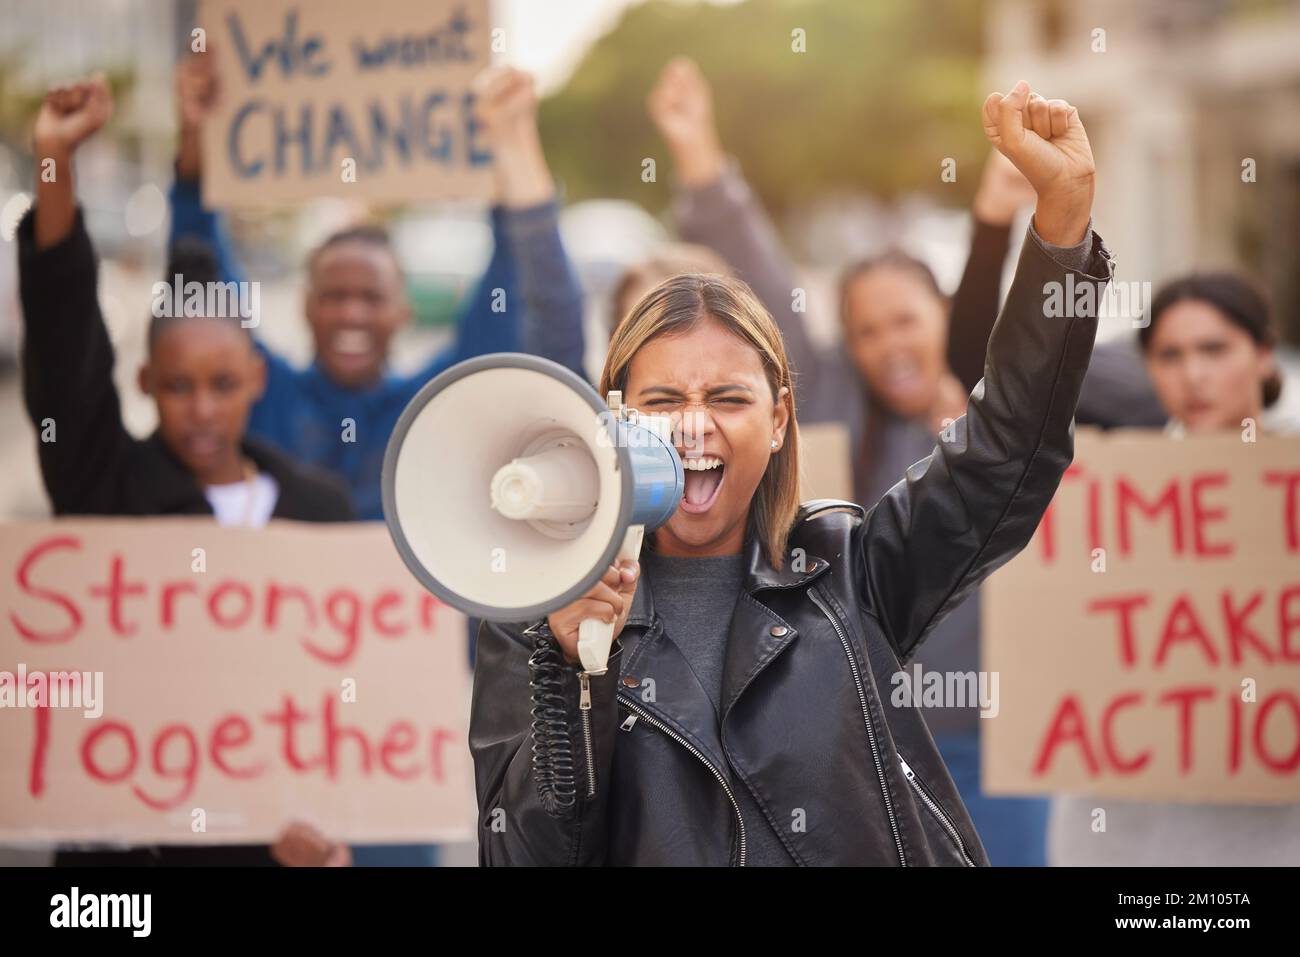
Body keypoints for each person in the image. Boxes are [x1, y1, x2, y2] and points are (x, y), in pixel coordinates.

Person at [470, 81, 1114, 865]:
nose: (694, 424)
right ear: (616, 416)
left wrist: (1063, 228)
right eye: (664, 398)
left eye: (729, 398)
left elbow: (1010, 445)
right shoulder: (535, 618)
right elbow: (522, 853)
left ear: (779, 420)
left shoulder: (850, 570)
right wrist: (569, 671)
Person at [19, 73, 353, 867]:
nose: (201, 409)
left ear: (258, 380)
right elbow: (64, 339)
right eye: (177, 386)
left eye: (222, 384)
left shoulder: (320, 512)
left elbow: (356, 702)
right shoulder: (105, 488)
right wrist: (55, 163)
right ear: (143, 384)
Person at [169, 55, 586, 520]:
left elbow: (520, 289)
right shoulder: (260, 395)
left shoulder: (436, 405)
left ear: (402, 311)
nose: (352, 314)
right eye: (334, 296)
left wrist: (508, 146)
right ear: (306, 307)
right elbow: (201, 292)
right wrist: (195, 149)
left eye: (371, 298)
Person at [1050, 272, 1300, 867]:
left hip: (1271, 827)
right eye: (1170, 355)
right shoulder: (1102, 495)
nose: (1194, 375)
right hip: (1123, 832)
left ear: (1263, 355)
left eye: (1215, 349)